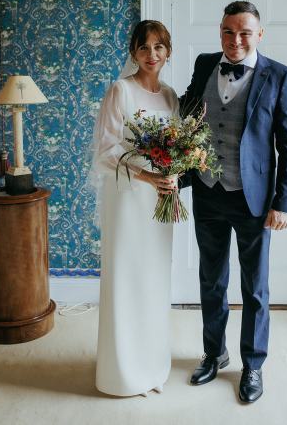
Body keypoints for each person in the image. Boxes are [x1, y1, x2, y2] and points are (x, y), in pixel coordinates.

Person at [180, 0, 287, 403]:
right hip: (208, 191)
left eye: (245, 32)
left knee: (255, 287)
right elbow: (186, 114)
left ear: (259, 35)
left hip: (254, 198)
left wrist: (283, 202)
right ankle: (214, 353)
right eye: (229, 32)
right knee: (211, 280)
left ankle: (253, 365)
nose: (236, 40)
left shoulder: (280, 76)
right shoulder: (203, 64)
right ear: (220, 31)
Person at [93, 20, 179, 397]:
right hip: (129, 197)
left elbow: (177, 146)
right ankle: (124, 373)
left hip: (161, 198)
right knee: (128, 278)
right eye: (144, 48)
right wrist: (146, 178)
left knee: (154, 278)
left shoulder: (171, 95)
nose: (151, 55)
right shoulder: (120, 91)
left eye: (158, 47)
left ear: (168, 52)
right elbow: (107, 150)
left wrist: (173, 176)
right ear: (133, 52)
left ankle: (152, 367)